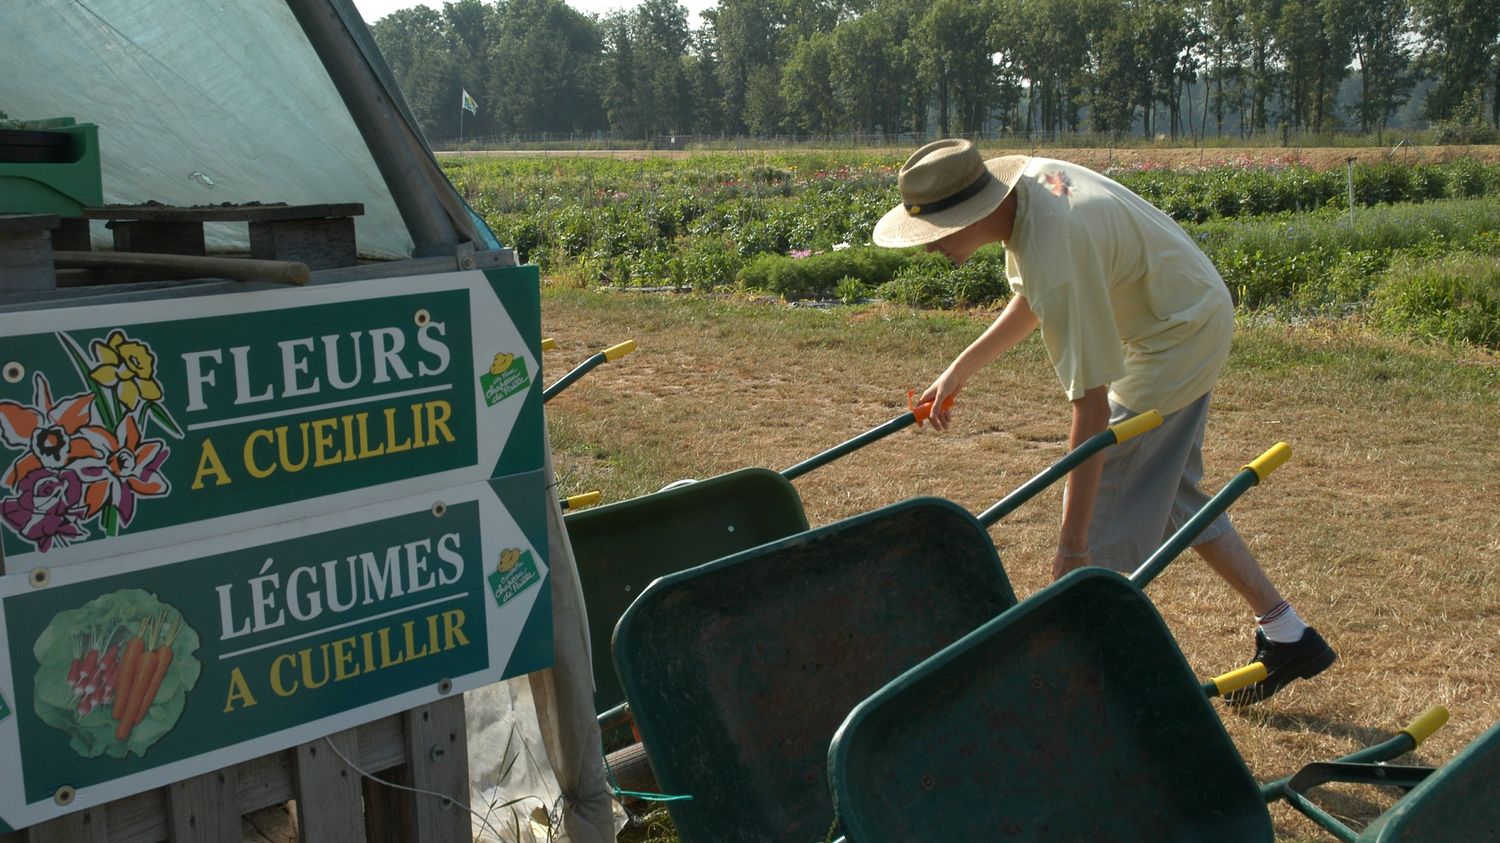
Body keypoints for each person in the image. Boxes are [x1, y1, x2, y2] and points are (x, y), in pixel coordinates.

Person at [874, 139, 1335, 705]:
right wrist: (959, 368)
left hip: (1176, 335)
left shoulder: (1053, 245)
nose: (929, 249)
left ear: (972, 211)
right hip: (1187, 311)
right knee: (1168, 491)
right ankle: (1288, 633)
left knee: (1105, 525)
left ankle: (1090, 693)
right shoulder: (1028, 200)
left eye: (934, 233)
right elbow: (1034, 300)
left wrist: (1072, 546)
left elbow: (1091, 411)